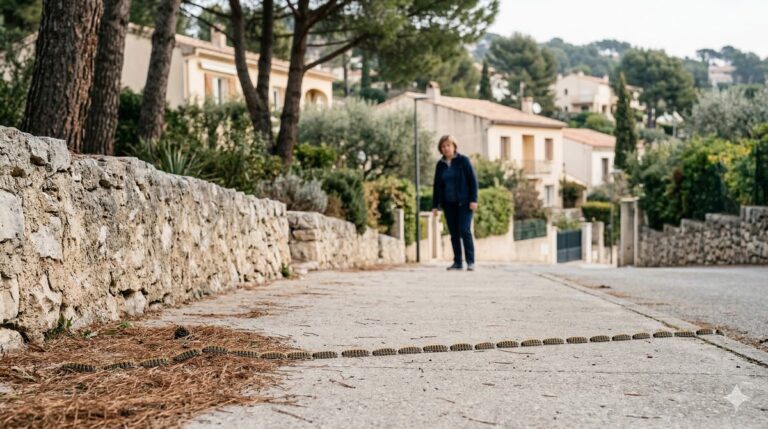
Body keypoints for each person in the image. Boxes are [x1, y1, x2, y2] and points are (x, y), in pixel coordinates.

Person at [431, 135, 479, 271]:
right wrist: (435, 205)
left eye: (448, 145)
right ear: (441, 149)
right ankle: (457, 262)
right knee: (454, 233)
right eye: (443, 146)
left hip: (464, 203)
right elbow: (437, 186)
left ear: (454, 146)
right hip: (448, 204)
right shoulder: (440, 165)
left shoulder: (463, 161)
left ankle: (470, 262)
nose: (446, 148)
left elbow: (473, 181)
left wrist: (473, 200)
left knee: (465, 230)